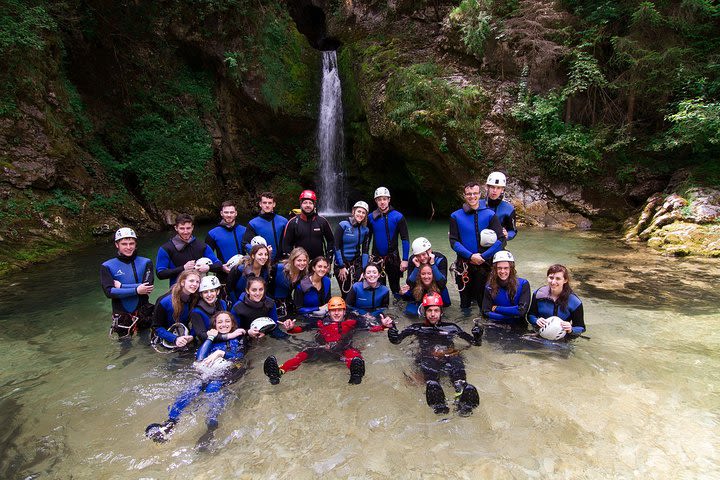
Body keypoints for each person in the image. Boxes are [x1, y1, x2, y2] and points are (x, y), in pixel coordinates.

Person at [145, 311, 265, 444]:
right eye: (220, 322)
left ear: (233, 324)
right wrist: (210, 338)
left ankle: (210, 431)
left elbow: (239, 359)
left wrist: (221, 353)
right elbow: (200, 358)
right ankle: (170, 423)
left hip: (230, 370)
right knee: (194, 387)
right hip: (210, 371)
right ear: (214, 325)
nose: (223, 324)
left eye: (227, 321)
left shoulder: (239, 338)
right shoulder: (211, 340)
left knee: (213, 389)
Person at [263, 296, 394, 385]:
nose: (336, 313)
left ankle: (355, 376)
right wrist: (290, 328)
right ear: (329, 312)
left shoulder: (353, 322)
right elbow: (300, 330)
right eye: (333, 311)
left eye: (339, 310)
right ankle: (279, 372)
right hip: (322, 349)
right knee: (302, 354)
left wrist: (383, 326)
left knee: (354, 356)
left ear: (344, 311)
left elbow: (371, 329)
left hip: (343, 349)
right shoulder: (320, 322)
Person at [388, 292, 482, 415]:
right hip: (428, 358)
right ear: (424, 312)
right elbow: (397, 340)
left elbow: (474, 342)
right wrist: (392, 330)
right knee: (428, 362)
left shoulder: (452, 327)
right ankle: (437, 397)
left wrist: (478, 335)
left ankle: (460, 392)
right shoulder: (417, 328)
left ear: (441, 312)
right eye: (430, 311)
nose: (433, 314)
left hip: (449, 357)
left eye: (436, 310)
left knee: (456, 359)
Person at [449, 181, 505, 313]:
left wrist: (483, 257)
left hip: (485, 265)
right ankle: (465, 327)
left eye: (475, 193)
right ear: (464, 196)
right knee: (465, 303)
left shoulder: (490, 214)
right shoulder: (455, 216)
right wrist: (471, 256)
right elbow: (453, 241)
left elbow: (501, 240)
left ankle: (484, 328)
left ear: (480, 194)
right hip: (464, 265)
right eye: (469, 194)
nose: (472, 196)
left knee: (483, 301)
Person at [100, 227, 155, 338]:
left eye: (131, 243)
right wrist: (137, 289)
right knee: (125, 348)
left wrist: (121, 286)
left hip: (143, 310)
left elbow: (147, 287)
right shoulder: (107, 266)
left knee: (146, 341)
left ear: (136, 244)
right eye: (124, 244)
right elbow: (109, 292)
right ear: (117, 245)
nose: (128, 247)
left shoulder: (146, 262)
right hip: (121, 313)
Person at [156, 213, 221, 287]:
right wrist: (183, 268)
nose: (185, 232)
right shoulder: (166, 248)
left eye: (188, 228)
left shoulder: (202, 246)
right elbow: (160, 274)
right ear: (176, 228)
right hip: (177, 291)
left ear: (192, 227)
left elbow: (218, 265)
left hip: (200, 289)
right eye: (182, 228)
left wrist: (208, 267)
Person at [368, 187, 410, 295]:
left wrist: (405, 259)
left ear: (389, 199)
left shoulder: (398, 216)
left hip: (393, 257)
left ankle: (397, 310)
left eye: (384, 199)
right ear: (376, 201)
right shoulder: (371, 218)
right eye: (379, 199)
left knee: (395, 287)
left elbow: (405, 239)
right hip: (377, 258)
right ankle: (382, 309)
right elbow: (366, 240)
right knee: (379, 288)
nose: (382, 202)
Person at [528, 264, 586, 337]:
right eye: (551, 278)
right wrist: (536, 320)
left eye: (558, 279)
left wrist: (571, 329)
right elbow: (530, 315)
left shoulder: (575, 302)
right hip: (539, 333)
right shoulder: (538, 294)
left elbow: (581, 328)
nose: (553, 282)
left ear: (565, 280)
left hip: (562, 337)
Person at [481, 250, 530, 331]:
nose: (502, 271)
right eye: (499, 268)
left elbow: (522, 311)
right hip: (496, 325)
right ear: (495, 269)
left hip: (518, 325)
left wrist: (497, 309)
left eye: (506, 268)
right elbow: (485, 312)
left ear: (511, 268)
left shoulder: (523, 284)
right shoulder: (489, 286)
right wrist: (511, 315)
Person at [152, 270, 200, 349]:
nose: (195, 284)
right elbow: (156, 327)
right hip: (166, 337)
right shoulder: (165, 301)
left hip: (184, 335)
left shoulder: (195, 298)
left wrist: (192, 335)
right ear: (182, 282)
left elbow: (197, 321)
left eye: (197, 282)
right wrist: (174, 339)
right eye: (191, 281)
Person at [282, 190, 335, 261]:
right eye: (305, 203)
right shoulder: (293, 222)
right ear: (301, 204)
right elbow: (287, 244)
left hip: (318, 263)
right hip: (300, 262)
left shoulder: (322, 221)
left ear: (314, 205)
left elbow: (330, 240)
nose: (308, 205)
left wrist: (329, 257)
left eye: (310, 203)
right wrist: (290, 261)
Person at [334, 201, 371, 298]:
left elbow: (365, 251)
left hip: (356, 263)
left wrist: (364, 269)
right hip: (342, 263)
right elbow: (336, 246)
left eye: (363, 213)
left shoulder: (365, 230)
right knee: (346, 293)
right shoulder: (343, 225)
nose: (361, 214)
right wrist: (341, 266)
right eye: (359, 211)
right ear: (353, 211)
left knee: (358, 291)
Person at [205, 201, 247, 281]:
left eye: (231, 212)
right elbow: (207, 257)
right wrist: (220, 267)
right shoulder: (212, 234)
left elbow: (253, 251)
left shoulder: (244, 230)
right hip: (223, 275)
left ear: (236, 213)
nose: (229, 215)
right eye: (226, 212)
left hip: (243, 273)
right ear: (221, 213)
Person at [242, 192, 288, 263]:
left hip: (281, 262)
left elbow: (290, 241)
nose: (267, 205)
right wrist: (259, 251)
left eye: (270, 203)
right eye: (264, 203)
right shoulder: (253, 223)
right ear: (260, 204)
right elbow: (245, 244)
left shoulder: (283, 221)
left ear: (274, 204)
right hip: (261, 262)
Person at [189, 275, 236, 342]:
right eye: (205, 292)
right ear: (201, 295)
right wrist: (226, 336)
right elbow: (201, 335)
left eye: (212, 291)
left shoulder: (223, 303)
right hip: (210, 342)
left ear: (218, 291)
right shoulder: (196, 312)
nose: (209, 295)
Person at [269, 247, 309, 320]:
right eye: (299, 260)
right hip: (271, 302)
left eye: (304, 260)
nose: (302, 263)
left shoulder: (303, 274)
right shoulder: (278, 268)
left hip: (286, 304)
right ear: (292, 260)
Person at [479, 172, 517, 241]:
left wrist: (508, 235)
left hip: (498, 244)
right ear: (487, 187)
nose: (495, 191)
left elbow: (513, 230)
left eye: (498, 188)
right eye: (492, 187)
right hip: (478, 244)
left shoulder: (509, 209)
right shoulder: (478, 205)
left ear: (502, 190)